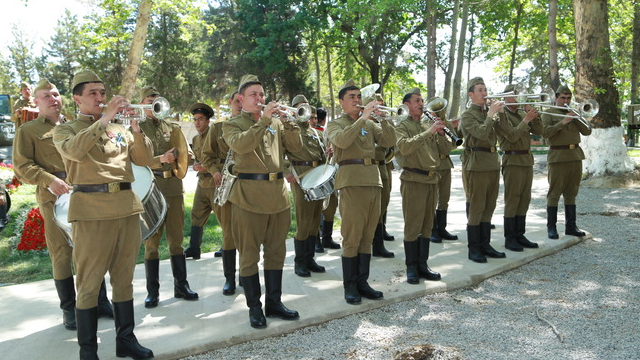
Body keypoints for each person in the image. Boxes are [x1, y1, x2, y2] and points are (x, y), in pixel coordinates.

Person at [53, 69, 154, 360]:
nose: (100, 98)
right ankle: (88, 350)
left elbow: (145, 160)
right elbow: (73, 151)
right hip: (92, 212)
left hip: (125, 207)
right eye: (92, 94)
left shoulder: (119, 130)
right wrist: (106, 118)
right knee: (89, 281)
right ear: (77, 99)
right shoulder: (66, 129)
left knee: (124, 279)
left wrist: (136, 129)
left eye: (102, 93)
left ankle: (126, 340)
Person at [13, 78, 114, 332]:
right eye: (46, 95)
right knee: (61, 253)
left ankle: (100, 301)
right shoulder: (28, 131)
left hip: (85, 194)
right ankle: (69, 308)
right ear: (36, 102)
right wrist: (48, 180)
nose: (52, 99)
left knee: (92, 250)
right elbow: (22, 167)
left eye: (56, 94)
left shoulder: (76, 126)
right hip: (53, 199)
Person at [222, 74, 303, 329]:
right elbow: (242, 146)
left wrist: (289, 123)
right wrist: (266, 118)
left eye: (262, 94)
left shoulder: (276, 123)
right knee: (248, 256)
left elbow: (297, 148)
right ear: (240, 99)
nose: (260, 98)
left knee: (276, 253)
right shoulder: (232, 125)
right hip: (248, 198)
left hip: (278, 196)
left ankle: (274, 303)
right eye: (254, 95)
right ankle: (254, 308)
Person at [326, 79, 396, 305]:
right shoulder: (336, 124)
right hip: (351, 182)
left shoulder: (369, 124)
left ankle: (363, 282)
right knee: (352, 235)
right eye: (352, 98)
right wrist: (363, 118)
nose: (357, 100)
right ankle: (350, 286)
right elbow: (342, 141)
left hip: (373, 181)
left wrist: (385, 121)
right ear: (341, 103)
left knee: (367, 235)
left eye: (359, 97)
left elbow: (390, 141)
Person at [136, 86, 198, 308]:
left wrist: (187, 156)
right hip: (150, 187)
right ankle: (153, 292)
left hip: (173, 187)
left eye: (157, 99)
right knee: (151, 243)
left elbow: (184, 154)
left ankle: (181, 285)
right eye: (149, 99)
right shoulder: (137, 129)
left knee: (177, 241)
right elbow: (134, 160)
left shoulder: (172, 127)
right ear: (142, 103)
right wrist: (159, 159)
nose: (154, 103)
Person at [395, 88, 445, 284]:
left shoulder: (427, 124)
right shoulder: (401, 125)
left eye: (422, 100)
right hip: (413, 179)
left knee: (427, 226)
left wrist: (441, 133)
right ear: (407, 105)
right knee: (413, 225)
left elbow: (447, 149)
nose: (421, 104)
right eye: (417, 101)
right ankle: (411, 267)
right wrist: (428, 132)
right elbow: (405, 147)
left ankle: (423, 265)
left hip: (431, 179)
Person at [460, 77, 506, 263]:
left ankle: (485, 244)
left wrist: (500, 114)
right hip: (477, 163)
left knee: (489, 205)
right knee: (477, 206)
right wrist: (490, 115)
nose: (484, 93)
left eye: (485, 89)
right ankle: (474, 248)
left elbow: (506, 133)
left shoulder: (489, 112)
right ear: (471, 94)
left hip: (492, 163)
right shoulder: (467, 115)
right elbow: (480, 133)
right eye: (480, 90)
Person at [495, 84, 543, 251]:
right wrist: (527, 119)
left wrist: (534, 116)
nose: (518, 98)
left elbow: (540, 130)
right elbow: (512, 136)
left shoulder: (522, 113)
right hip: (512, 158)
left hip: (526, 159)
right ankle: (510, 238)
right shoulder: (502, 115)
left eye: (519, 94)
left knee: (524, 198)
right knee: (513, 198)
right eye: (515, 95)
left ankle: (519, 234)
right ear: (506, 97)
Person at [284, 94, 327, 277]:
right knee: (303, 221)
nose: (305, 111)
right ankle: (299, 262)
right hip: (301, 178)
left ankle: (309, 259)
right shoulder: (289, 130)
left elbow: (321, 156)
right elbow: (279, 153)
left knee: (315, 220)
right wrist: (286, 171)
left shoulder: (315, 132)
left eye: (306, 107)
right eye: (300, 107)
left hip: (317, 177)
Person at [542, 85, 591, 239]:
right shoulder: (548, 112)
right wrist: (563, 121)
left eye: (568, 98)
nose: (566, 101)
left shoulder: (574, 112)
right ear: (556, 98)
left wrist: (577, 117)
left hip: (575, 155)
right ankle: (551, 227)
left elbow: (587, 131)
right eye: (563, 98)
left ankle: (571, 226)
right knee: (555, 192)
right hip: (558, 156)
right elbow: (545, 133)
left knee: (572, 192)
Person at [201, 95, 239, 295]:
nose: (240, 105)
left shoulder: (256, 124)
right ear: (231, 102)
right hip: (227, 181)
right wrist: (215, 170)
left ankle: (248, 276)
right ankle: (230, 278)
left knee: (249, 233)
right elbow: (207, 156)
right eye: (236, 101)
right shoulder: (217, 127)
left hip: (250, 183)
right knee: (229, 233)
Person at [184, 103, 215, 260]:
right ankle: (194, 248)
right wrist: (195, 165)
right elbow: (197, 159)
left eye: (201, 119)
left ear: (208, 121)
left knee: (225, 217)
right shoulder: (195, 139)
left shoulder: (215, 136)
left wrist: (207, 167)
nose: (197, 123)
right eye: (195, 119)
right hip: (202, 183)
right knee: (196, 214)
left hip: (215, 182)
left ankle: (228, 247)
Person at [427, 98, 459, 243]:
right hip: (434, 164)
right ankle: (433, 229)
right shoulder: (427, 122)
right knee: (433, 198)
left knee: (444, 198)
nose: (440, 112)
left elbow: (454, 143)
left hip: (445, 162)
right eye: (437, 110)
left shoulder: (446, 122)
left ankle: (442, 228)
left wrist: (449, 129)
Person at [371, 93, 395, 258]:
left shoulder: (382, 122)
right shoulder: (367, 123)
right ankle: (376, 244)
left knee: (384, 203)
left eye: (381, 105)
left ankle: (380, 236)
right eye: (376, 105)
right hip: (372, 167)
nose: (379, 108)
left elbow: (392, 142)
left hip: (384, 165)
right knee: (375, 208)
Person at [315, 106, 341, 253]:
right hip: (316, 174)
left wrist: (329, 153)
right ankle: (317, 239)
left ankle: (327, 237)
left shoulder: (325, 132)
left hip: (327, 172)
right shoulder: (316, 132)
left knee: (331, 204)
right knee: (318, 207)